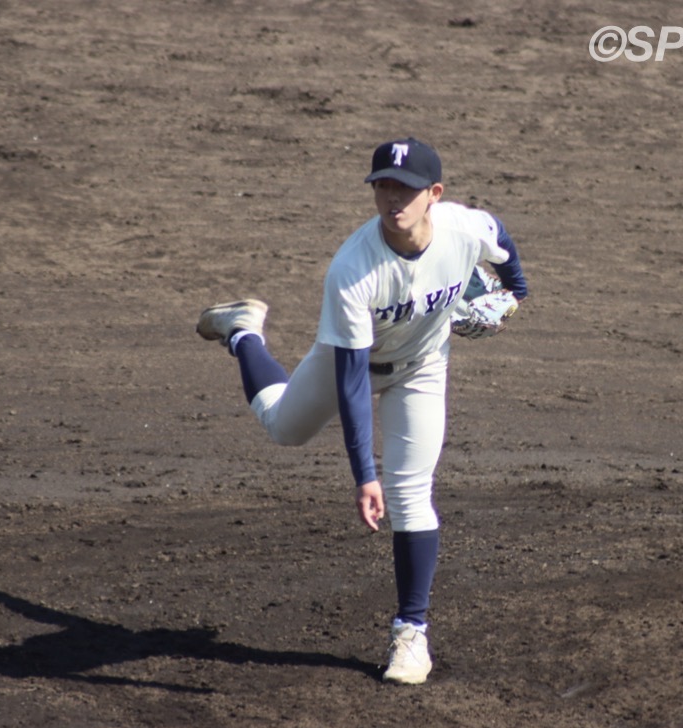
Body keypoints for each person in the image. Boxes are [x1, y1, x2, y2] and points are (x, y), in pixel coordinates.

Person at [195, 137, 529, 685]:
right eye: (383, 186)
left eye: (406, 188)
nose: (393, 198)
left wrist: (515, 293)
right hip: (352, 362)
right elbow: (352, 380)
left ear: (434, 194)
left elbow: (504, 248)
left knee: (411, 493)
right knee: (283, 427)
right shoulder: (353, 269)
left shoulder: (465, 229)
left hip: (422, 366)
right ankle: (242, 331)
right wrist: (363, 475)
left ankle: (411, 634)